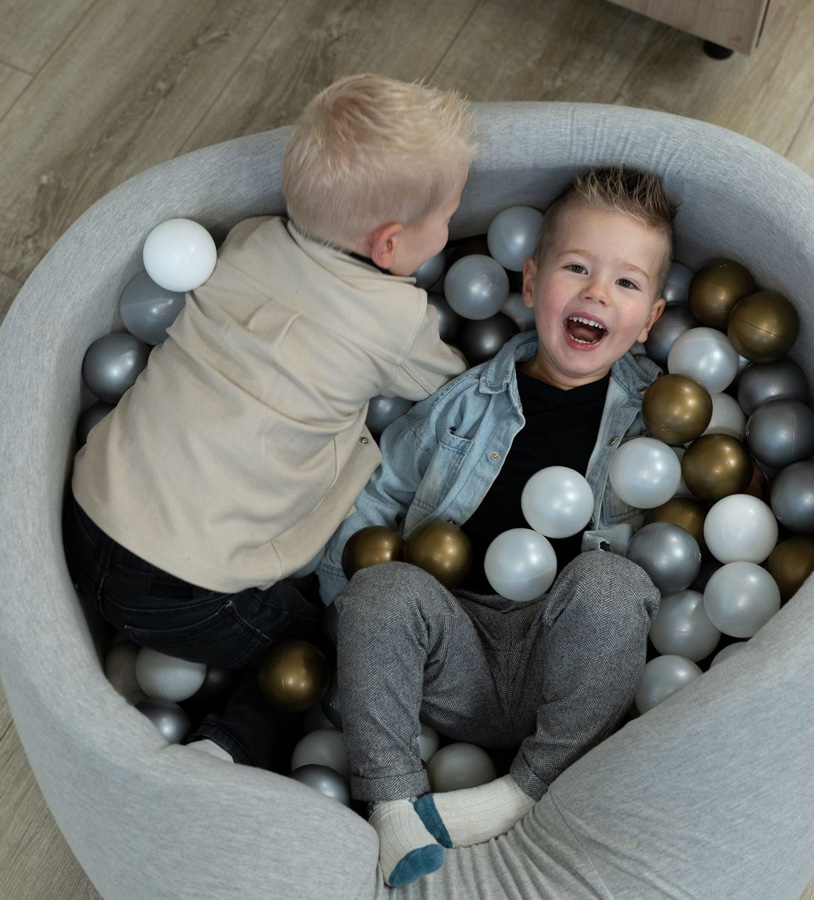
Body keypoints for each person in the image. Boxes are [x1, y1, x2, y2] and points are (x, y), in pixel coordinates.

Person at [62, 73, 476, 770]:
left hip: (88, 516)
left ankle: (128, 659)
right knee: (318, 645)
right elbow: (453, 386)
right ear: (390, 245)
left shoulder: (250, 241)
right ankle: (227, 746)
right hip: (187, 595)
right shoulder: (399, 321)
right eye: (448, 219)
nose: (451, 231)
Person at [315, 166, 675, 887]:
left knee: (611, 585)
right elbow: (376, 498)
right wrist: (350, 620)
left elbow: (679, 532)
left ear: (651, 320)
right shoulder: (460, 403)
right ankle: (394, 808)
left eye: (626, 284)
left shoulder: (659, 422)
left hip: (563, 659)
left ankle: (522, 792)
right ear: (530, 283)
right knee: (378, 589)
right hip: (452, 649)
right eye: (577, 268)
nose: (597, 293)